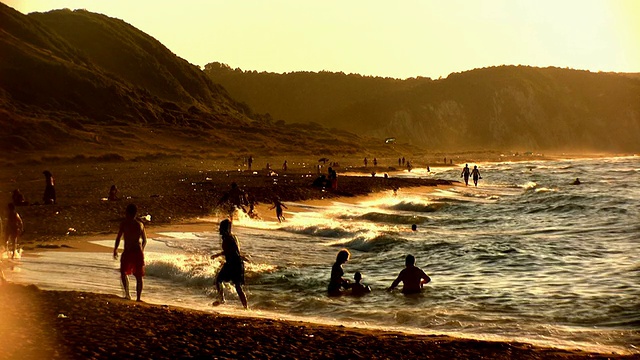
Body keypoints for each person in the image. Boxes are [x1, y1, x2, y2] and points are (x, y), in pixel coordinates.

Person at [113, 204, 147, 301]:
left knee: (126, 273)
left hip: (129, 250)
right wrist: (142, 249)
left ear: (127, 213)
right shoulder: (139, 224)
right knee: (137, 275)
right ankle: (137, 297)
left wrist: (115, 249)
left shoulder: (125, 224)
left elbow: (119, 237)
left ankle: (128, 294)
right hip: (137, 250)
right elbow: (144, 240)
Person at [211, 219, 248, 308]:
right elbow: (234, 251)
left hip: (232, 263)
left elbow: (231, 252)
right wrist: (218, 254)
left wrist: (222, 257)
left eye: (221, 228)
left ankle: (222, 299)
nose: (219, 230)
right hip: (238, 263)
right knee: (238, 287)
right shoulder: (233, 237)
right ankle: (246, 307)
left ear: (225, 229)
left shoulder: (227, 238)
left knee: (218, 280)